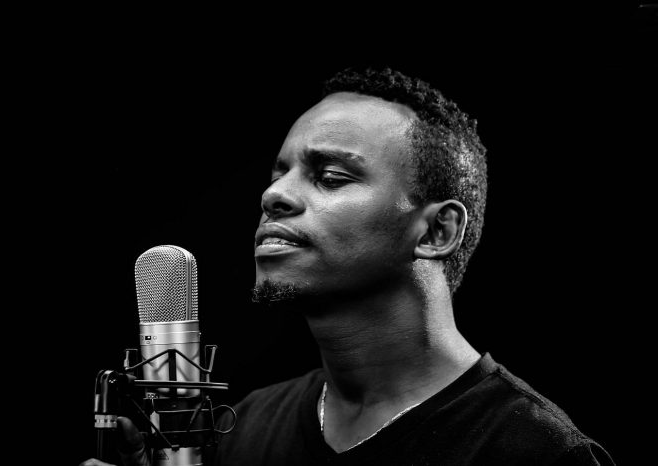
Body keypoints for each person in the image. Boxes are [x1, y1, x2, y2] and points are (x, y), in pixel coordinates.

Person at [81, 67, 614, 465]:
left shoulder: (536, 451)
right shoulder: (243, 429)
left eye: (330, 177)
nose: (273, 196)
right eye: (279, 173)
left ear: (437, 232)